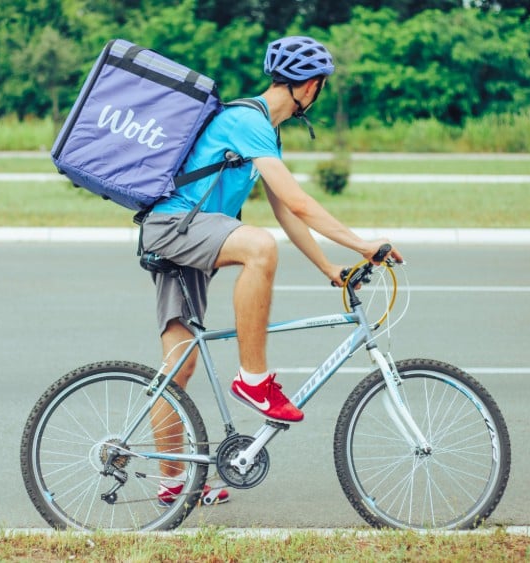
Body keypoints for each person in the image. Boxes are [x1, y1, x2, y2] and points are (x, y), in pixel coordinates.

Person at [140, 36, 404, 505]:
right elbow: (301, 202)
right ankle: (254, 379)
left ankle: (173, 484)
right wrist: (365, 243)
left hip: (188, 234)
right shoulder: (248, 121)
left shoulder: (265, 132)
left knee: (177, 370)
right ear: (310, 86)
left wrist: (331, 268)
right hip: (176, 228)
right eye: (320, 85)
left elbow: (287, 212)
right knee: (259, 247)